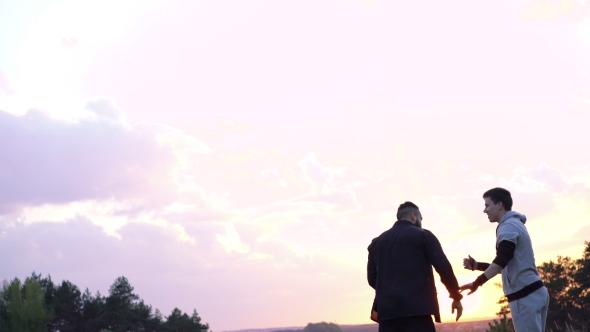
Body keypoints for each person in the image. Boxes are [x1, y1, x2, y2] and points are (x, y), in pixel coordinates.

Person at [460, 187, 549, 332]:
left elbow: (502, 259)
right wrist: (478, 265)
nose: (485, 210)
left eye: (487, 205)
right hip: (534, 292)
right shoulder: (515, 224)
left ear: (499, 205)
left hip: (525, 297)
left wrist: (477, 283)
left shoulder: (508, 227)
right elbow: (507, 264)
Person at [367, 201, 463, 332]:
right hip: (418, 311)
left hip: (387, 314)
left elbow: (372, 278)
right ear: (413, 216)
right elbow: (443, 267)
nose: (421, 222)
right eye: (420, 218)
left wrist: (392, 289)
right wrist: (455, 296)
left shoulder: (376, 242)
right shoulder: (423, 235)